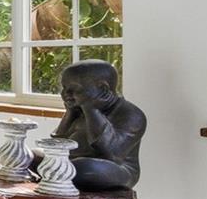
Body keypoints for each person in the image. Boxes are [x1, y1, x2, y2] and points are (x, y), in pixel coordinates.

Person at [51, 59, 145, 190]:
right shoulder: (78, 109)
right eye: (65, 88)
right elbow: (56, 146)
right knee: (31, 157)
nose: (66, 94)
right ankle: (60, 172)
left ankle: (59, 172)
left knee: (85, 168)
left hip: (113, 168)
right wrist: (69, 114)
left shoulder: (131, 114)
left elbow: (112, 153)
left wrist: (91, 109)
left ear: (103, 89)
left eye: (74, 89)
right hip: (70, 162)